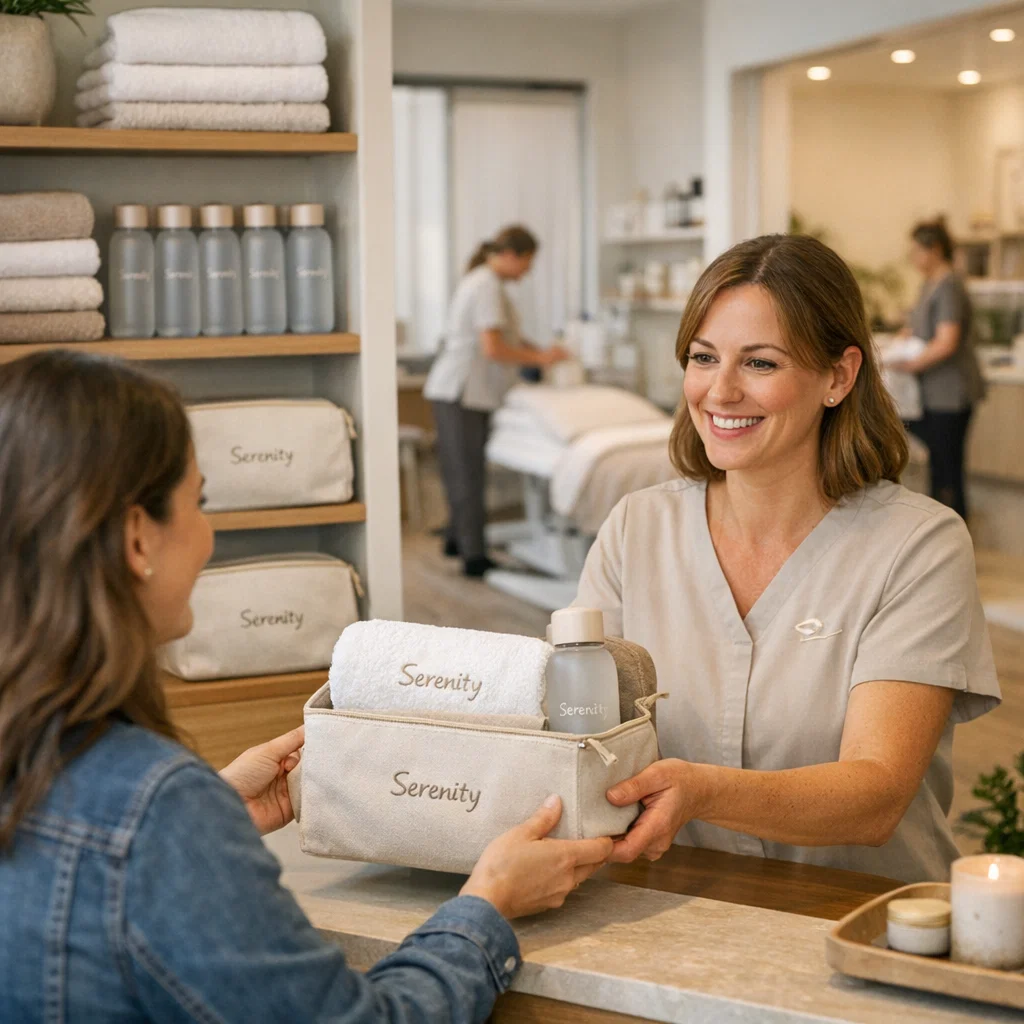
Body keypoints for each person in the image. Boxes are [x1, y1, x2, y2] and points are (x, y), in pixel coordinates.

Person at [0, 351, 612, 1022]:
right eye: (198, 503)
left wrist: (211, 814)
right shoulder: (157, 812)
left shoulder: (55, 772)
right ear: (138, 539)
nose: (208, 537)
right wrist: (487, 904)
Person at [575, 234, 1000, 884]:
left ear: (838, 377)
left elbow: (877, 795)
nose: (720, 391)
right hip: (678, 912)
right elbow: (579, 733)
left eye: (760, 363)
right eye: (703, 357)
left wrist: (704, 792)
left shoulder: (918, 546)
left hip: (865, 917)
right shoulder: (637, 529)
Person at [424, 225, 570, 577]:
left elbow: (509, 338)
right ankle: (474, 557)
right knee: (467, 475)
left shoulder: (485, 283)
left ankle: (457, 540)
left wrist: (544, 352)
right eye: (527, 263)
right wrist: (541, 359)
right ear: (510, 255)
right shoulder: (486, 285)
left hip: (466, 392)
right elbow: (493, 348)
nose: (527, 272)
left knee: (462, 471)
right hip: (461, 391)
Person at [896, 218, 986, 519]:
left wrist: (908, 364)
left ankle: (954, 529)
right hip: (932, 393)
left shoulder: (949, 286)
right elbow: (916, 328)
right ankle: (940, 526)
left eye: (916, 251)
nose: (912, 258)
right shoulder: (929, 284)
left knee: (948, 466)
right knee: (938, 462)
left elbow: (946, 342)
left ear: (934, 249)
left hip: (951, 393)